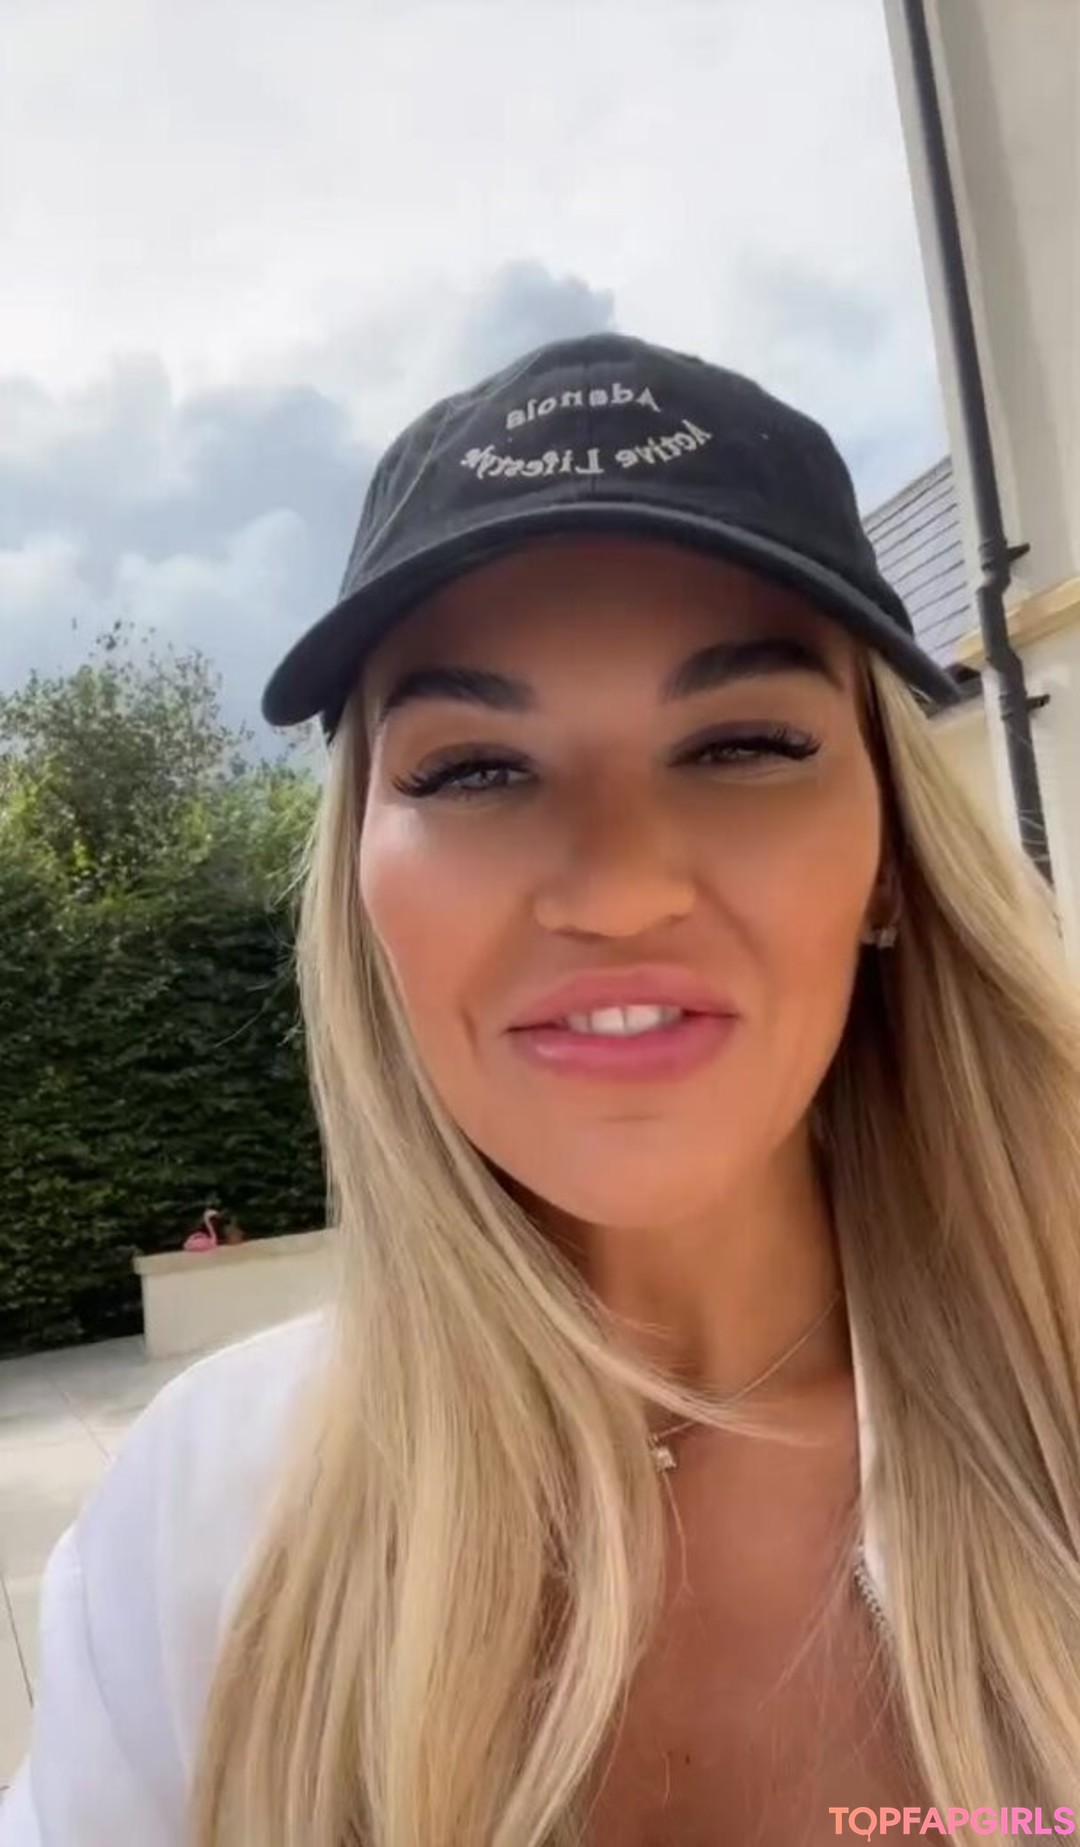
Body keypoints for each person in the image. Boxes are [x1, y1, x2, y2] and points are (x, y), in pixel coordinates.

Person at [4, 330, 1079, 1846]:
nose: (618, 888)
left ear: (891, 862)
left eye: (742, 745)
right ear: (362, 886)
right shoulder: (199, 1525)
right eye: (474, 771)